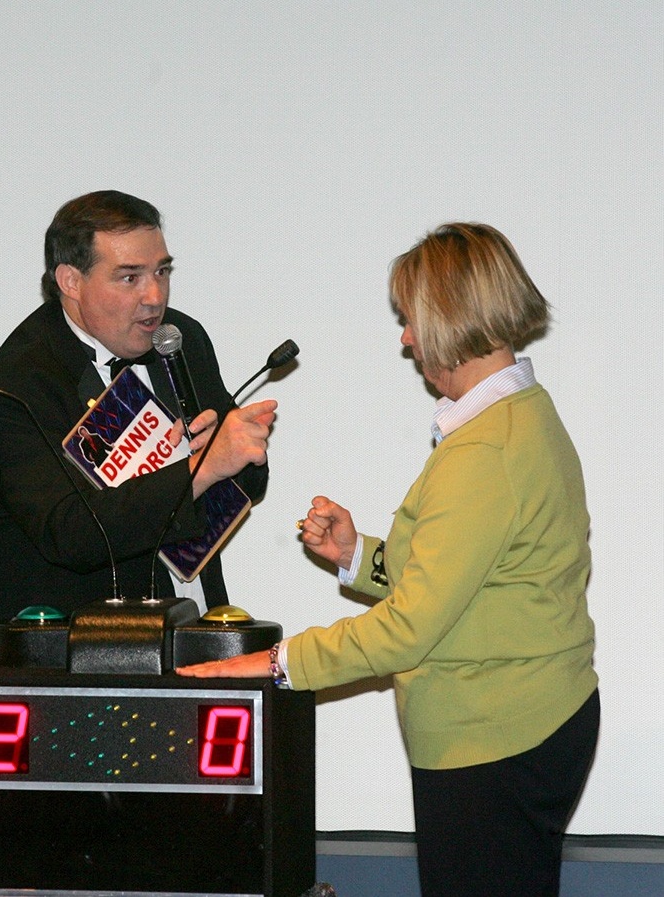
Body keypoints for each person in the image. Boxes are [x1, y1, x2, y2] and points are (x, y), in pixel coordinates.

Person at [179, 223, 599, 897]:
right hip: (532, 719)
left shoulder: (484, 451)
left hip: (493, 741)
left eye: (411, 320)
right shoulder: (522, 416)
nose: (406, 338)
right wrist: (358, 555)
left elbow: (410, 628)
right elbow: (476, 579)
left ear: (451, 319)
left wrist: (276, 664)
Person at [0, 190, 276, 649]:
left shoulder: (180, 340)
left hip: (186, 633)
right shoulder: (16, 384)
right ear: (71, 281)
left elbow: (247, 479)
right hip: (62, 654)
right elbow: (72, 534)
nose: (154, 296)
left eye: (162, 272)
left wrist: (238, 453)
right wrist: (201, 468)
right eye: (130, 278)